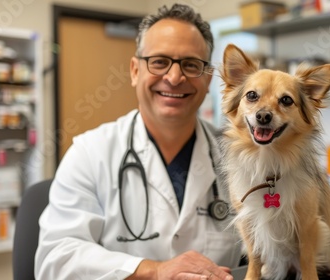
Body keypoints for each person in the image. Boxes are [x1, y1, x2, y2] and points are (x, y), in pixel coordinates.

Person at [35, 4, 242, 280]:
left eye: (191, 65)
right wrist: (152, 271)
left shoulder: (239, 157)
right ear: (135, 71)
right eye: (159, 62)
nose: (174, 77)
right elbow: (54, 260)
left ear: (207, 78)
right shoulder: (90, 153)